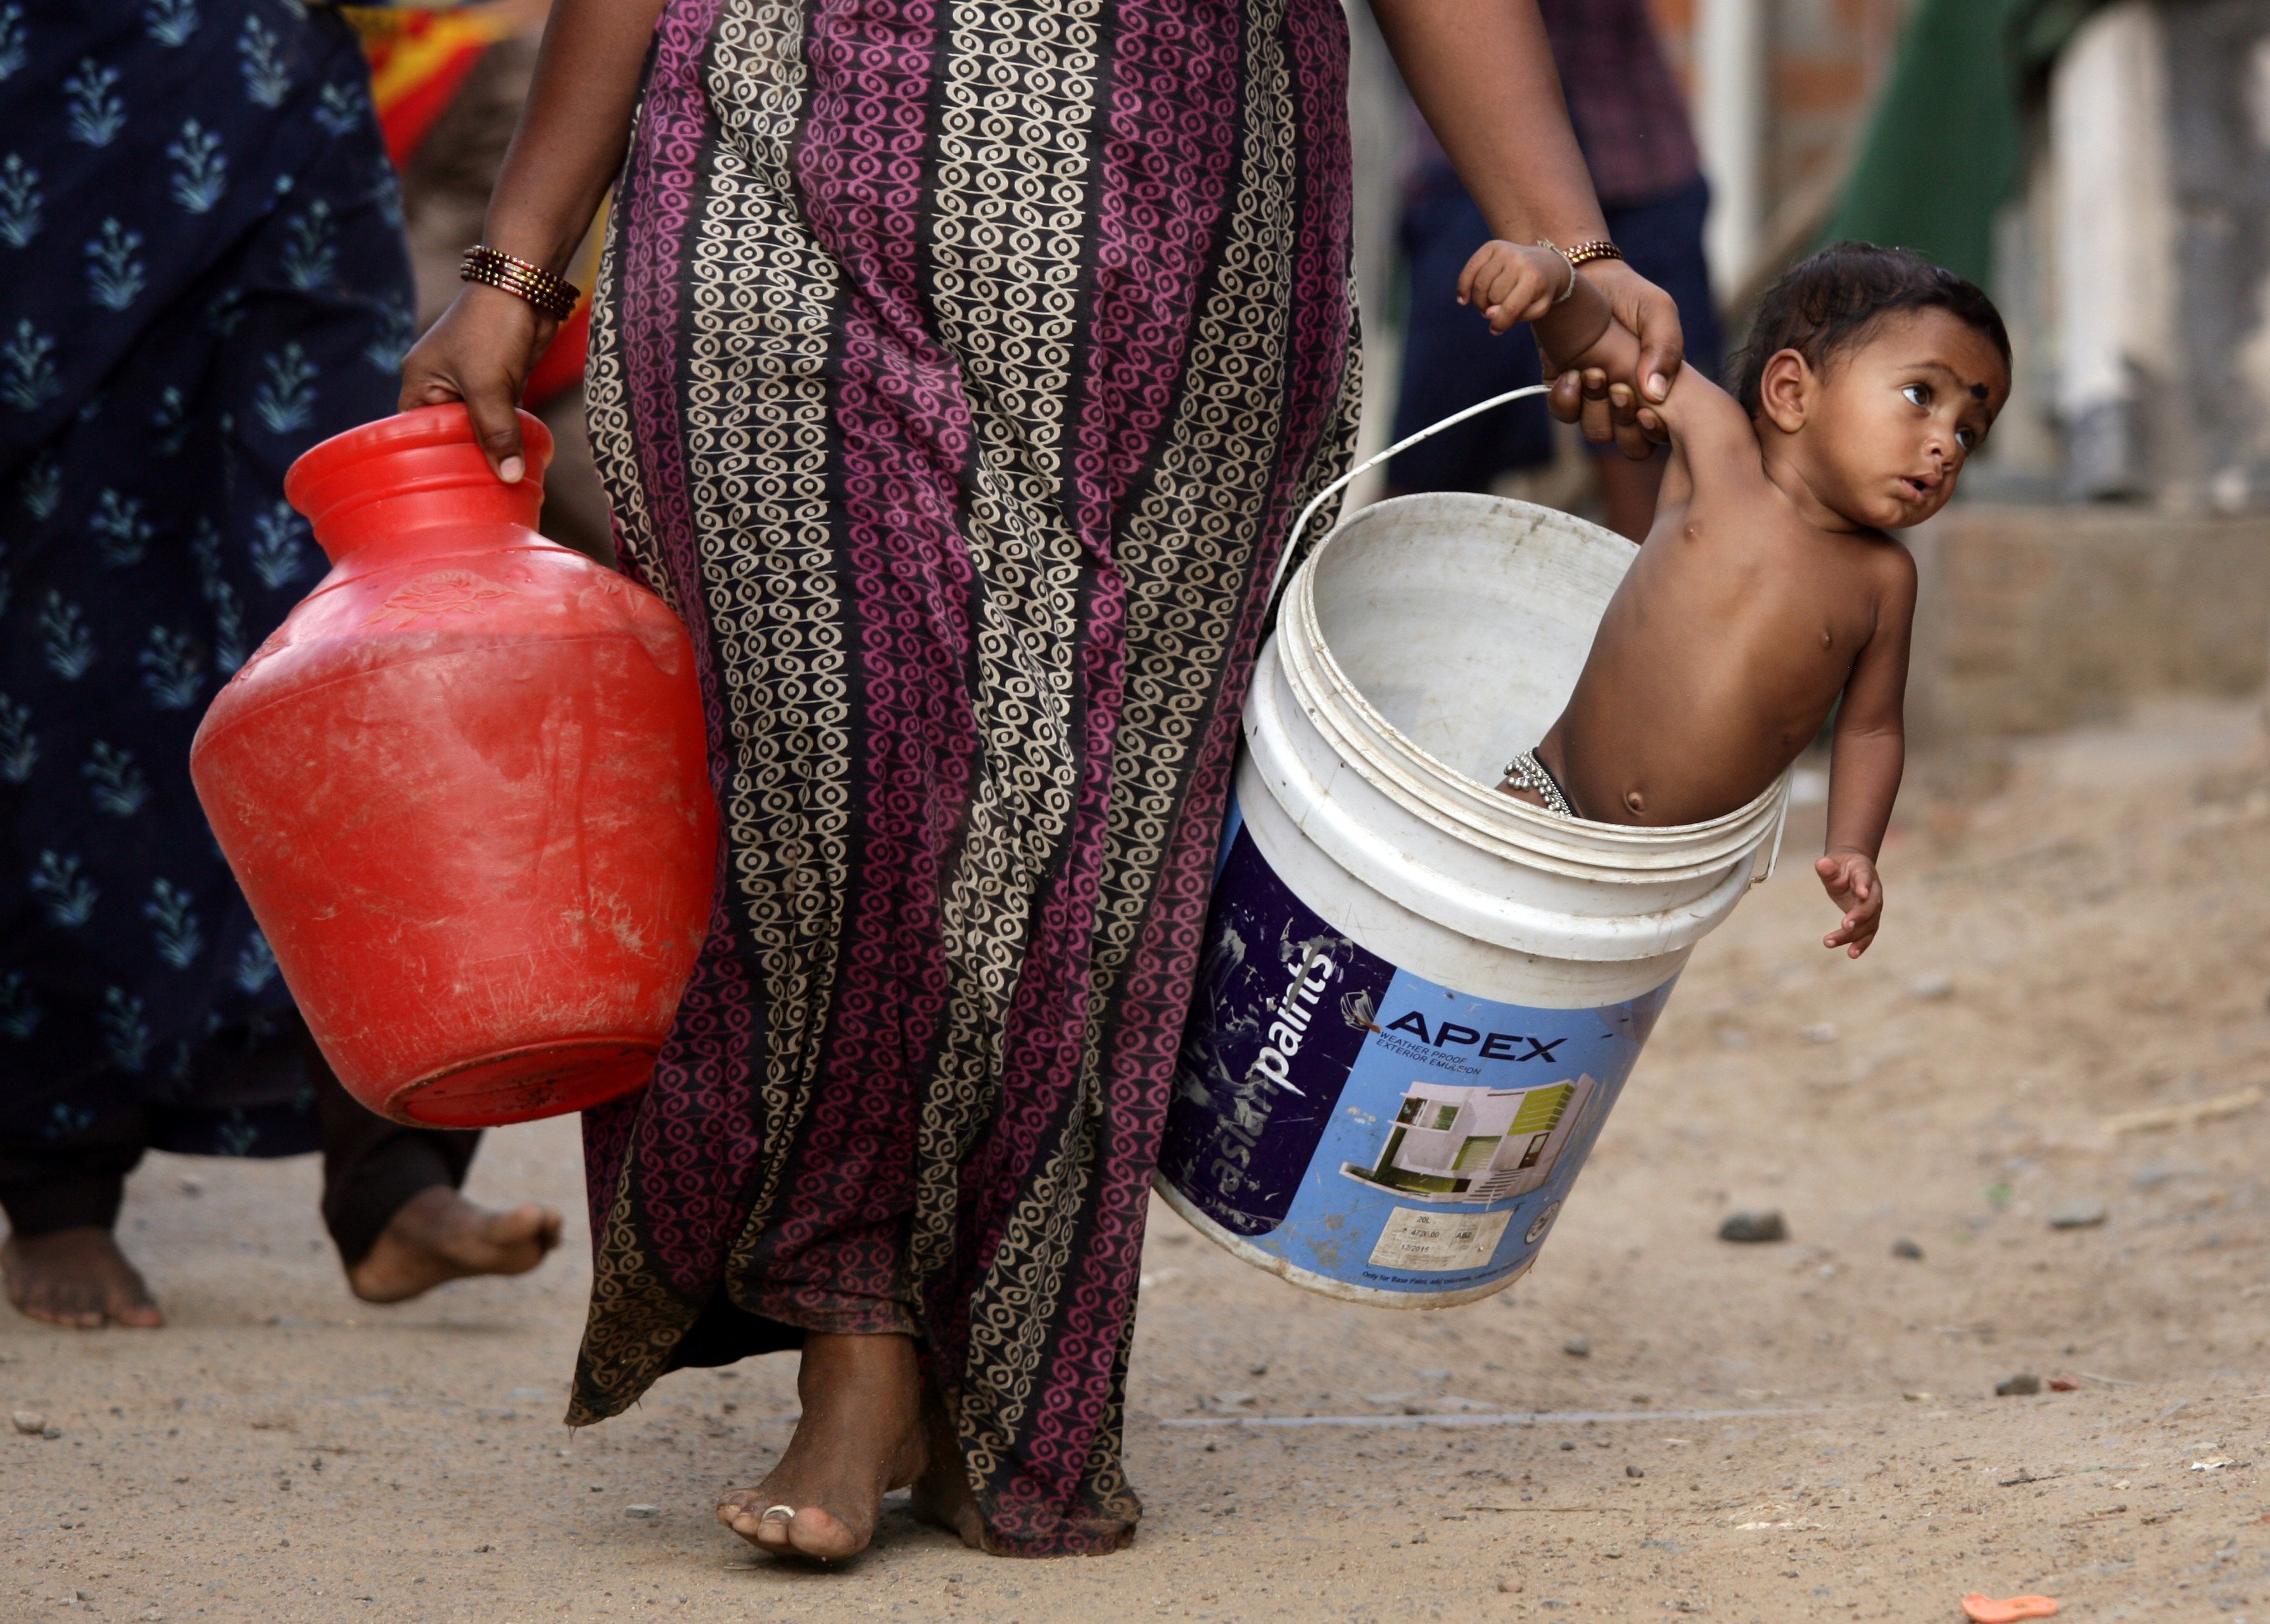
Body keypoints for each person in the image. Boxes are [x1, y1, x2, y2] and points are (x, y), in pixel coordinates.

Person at [401, 0, 1685, 1562]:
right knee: (829, 778)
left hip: (1179, 223)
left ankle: (1000, 1367)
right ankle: (854, 1335)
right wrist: (520, 270)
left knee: (1088, 816)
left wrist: (1566, 244)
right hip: (768, 180)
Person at [0, 1, 559, 1328]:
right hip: (46, 109)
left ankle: (392, 1166)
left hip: (287, 104)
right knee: (66, 629)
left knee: (354, 599)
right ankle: (56, 1179)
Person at [1467, 241, 2011, 958]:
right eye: (1921, 397)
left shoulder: (1882, 580)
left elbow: (1870, 730)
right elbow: (1604, 341)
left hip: (1668, 878)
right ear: (1791, 391)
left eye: (1968, 433)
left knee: (1568, 1033)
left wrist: (1854, 847)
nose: (1944, 446)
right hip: (1547, 797)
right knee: (1453, 948)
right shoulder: (1716, 446)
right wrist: (1555, 282)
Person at [1386, 0, 1720, 541]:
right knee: (1435, 468)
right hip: (1472, 166)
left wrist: (1580, 252)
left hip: (1638, 152)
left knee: (1655, 448)